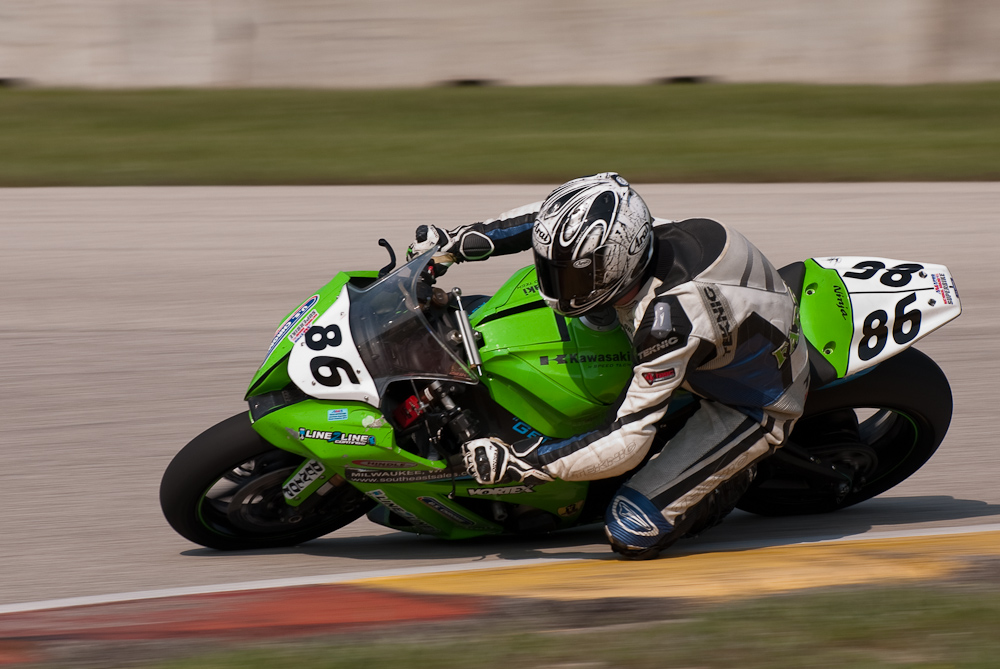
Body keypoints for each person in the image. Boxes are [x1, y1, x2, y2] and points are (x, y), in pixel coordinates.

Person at [407, 173, 809, 559]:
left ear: (617, 266)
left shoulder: (670, 320)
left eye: (574, 277)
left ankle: (735, 475)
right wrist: (453, 242)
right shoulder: (630, 229)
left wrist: (523, 464)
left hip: (750, 399)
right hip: (722, 325)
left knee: (631, 531)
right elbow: (540, 221)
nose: (558, 286)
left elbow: (628, 440)